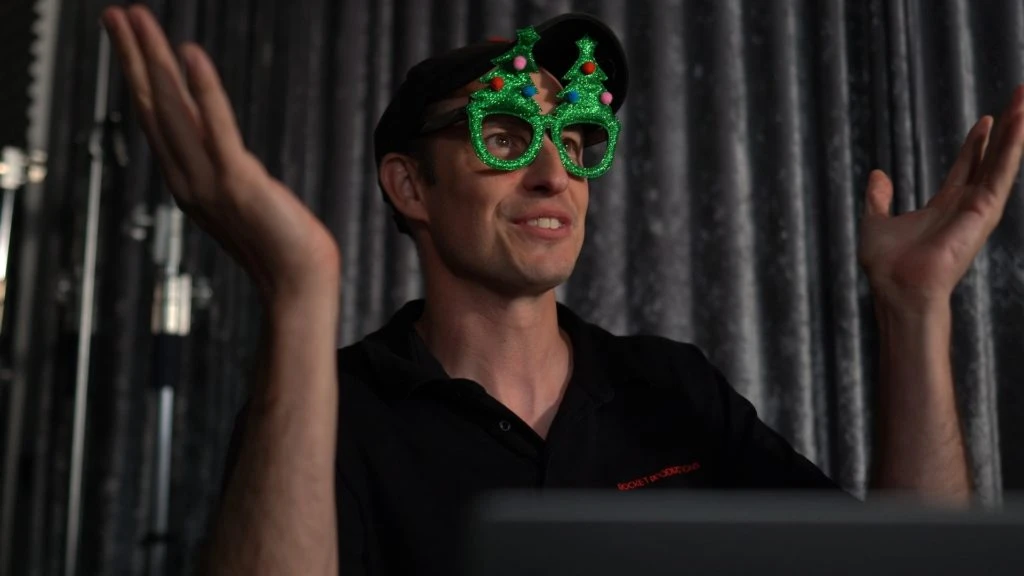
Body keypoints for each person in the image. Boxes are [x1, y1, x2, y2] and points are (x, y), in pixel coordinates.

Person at [101, 5, 1023, 576]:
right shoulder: (329, 408)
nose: (556, 175)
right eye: (505, 134)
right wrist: (301, 294)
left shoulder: (673, 386)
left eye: (577, 140)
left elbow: (910, 570)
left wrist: (913, 311)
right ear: (410, 186)